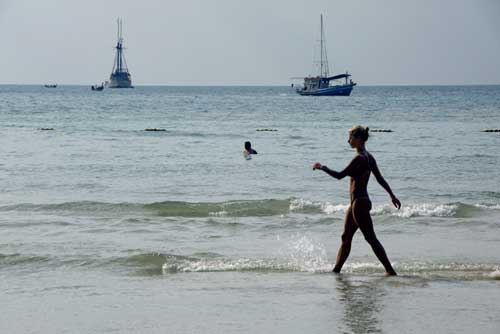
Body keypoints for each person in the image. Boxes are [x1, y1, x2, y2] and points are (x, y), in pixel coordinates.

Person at [313, 125, 401, 276]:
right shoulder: (369, 157)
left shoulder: (359, 158)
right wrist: (392, 195)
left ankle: (390, 271)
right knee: (346, 237)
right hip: (357, 203)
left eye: (351, 138)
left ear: (359, 139)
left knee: (370, 238)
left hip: (359, 203)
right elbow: (380, 179)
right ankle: (336, 271)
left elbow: (340, 175)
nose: (348, 141)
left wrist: (323, 167)